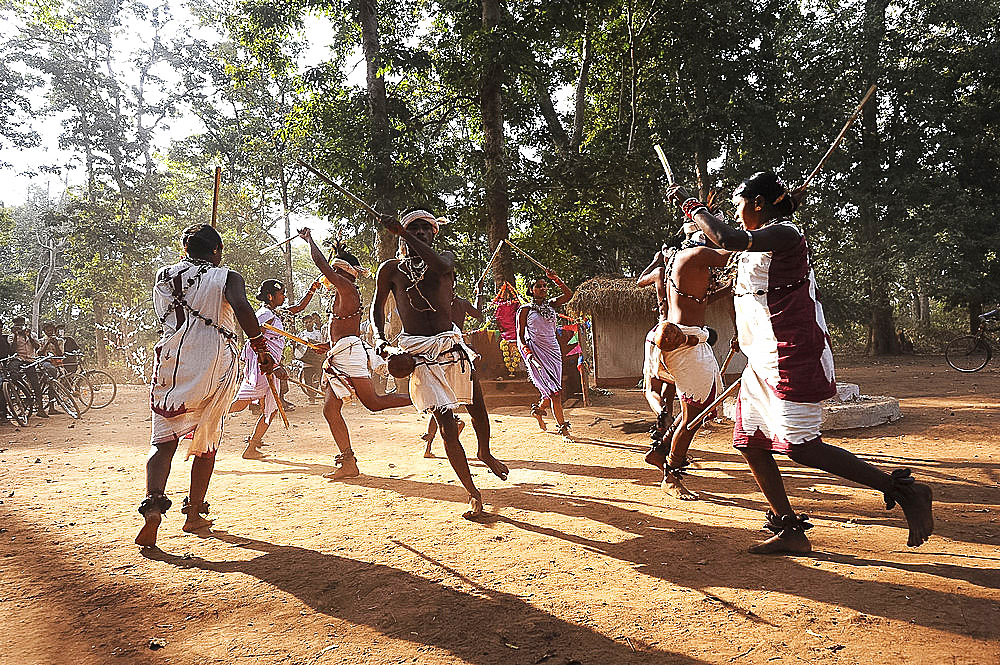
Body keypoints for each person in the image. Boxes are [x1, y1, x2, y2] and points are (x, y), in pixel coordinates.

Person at [668, 171, 934, 553]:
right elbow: (733, 262)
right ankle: (790, 529)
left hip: (792, 350)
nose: (736, 210)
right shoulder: (758, 244)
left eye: (739, 203)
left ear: (758, 203)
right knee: (751, 442)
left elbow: (724, 237)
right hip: (761, 358)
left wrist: (692, 207)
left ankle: (904, 491)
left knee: (801, 446)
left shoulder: (786, 234)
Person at [137, 224, 276, 548]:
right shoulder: (227, 277)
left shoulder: (163, 276)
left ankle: (154, 506)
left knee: (162, 441)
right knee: (207, 435)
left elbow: (165, 315)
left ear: (185, 249)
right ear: (218, 250)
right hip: (215, 362)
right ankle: (194, 511)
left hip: (172, 362)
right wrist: (259, 346)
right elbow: (242, 308)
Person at [371, 209, 508, 519]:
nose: (420, 232)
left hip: (451, 346)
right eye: (413, 228)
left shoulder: (443, 260)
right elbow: (376, 309)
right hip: (418, 354)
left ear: (433, 234)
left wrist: (402, 233)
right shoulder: (390, 270)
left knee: (478, 411)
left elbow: (441, 264)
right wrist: (382, 345)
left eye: (425, 229)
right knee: (447, 427)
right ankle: (473, 493)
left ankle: (484, 451)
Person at [298, 228, 411, 480]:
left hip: (349, 354)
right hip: (342, 351)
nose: (330, 277)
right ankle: (348, 462)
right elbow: (344, 330)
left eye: (335, 272)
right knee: (330, 410)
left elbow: (321, 265)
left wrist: (310, 240)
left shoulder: (347, 287)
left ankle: (422, 399)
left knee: (374, 403)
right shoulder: (344, 291)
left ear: (345, 272)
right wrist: (329, 346)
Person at [229, 277, 319, 458]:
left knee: (271, 408)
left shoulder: (276, 313)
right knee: (240, 404)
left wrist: (313, 288)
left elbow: (298, 308)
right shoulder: (264, 315)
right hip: (263, 367)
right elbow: (255, 342)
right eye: (281, 294)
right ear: (270, 296)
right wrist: (274, 365)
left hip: (272, 367)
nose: (284, 297)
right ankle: (204, 419)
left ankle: (252, 447)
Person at [420, 275, 485, 458]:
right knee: (439, 402)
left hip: (451, 355)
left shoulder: (439, 303)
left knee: (440, 401)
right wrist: (479, 292)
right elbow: (478, 314)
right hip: (446, 355)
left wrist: (479, 292)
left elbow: (478, 315)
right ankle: (439, 438)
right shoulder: (437, 303)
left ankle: (434, 441)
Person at [517, 272, 573, 434]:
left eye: (544, 286)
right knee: (556, 393)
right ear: (531, 290)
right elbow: (520, 337)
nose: (542, 288)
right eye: (538, 286)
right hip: (536, 353)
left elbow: (568, 295)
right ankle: (563, 428)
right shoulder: (525, 310)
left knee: (551, 392)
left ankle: (538, 411)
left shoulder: (551, 304)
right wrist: (528, 354)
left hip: (553, 352)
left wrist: (556, 278)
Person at [9, 316, 49, 418]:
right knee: (13, 372)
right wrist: (15, 335)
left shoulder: (32, 335)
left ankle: (40, 408)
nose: (20, 327)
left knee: (36, 384)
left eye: (21, 325)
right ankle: (23, 390)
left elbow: (37, 347)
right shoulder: (12, 336)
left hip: (30, 360)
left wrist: (29, 336)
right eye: (17, 325)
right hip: (19, 359)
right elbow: (12, 351)